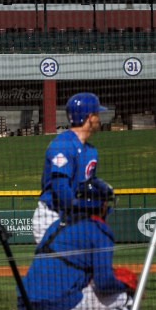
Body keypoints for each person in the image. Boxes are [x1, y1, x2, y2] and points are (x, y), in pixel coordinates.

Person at [17, 176, 137, 310]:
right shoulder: (99, 230)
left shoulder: (56, 225)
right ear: (102, 205)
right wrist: (125, 286)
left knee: (53, 284)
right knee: (129, 303)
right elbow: (104, 283)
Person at [32, 92, 107, 243]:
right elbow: (60, 186)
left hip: (73, 216)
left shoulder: (91, 151)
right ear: (89, 117)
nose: (99, 118)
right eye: (97, 114)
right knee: (57, 266)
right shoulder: (63, 144)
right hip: (52, 216)